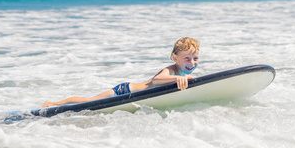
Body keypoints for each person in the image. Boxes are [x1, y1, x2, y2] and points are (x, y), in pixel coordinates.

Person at [41, 37, 200, 108]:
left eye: (195, 58)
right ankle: (53, 104)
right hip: (125, 90)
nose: (192, 62)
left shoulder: (182, 73)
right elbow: (158, 80)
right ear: (174, 57)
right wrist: (177, 78)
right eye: (187, 58)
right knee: (89, 101)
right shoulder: (171, 70)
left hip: (135, 93)